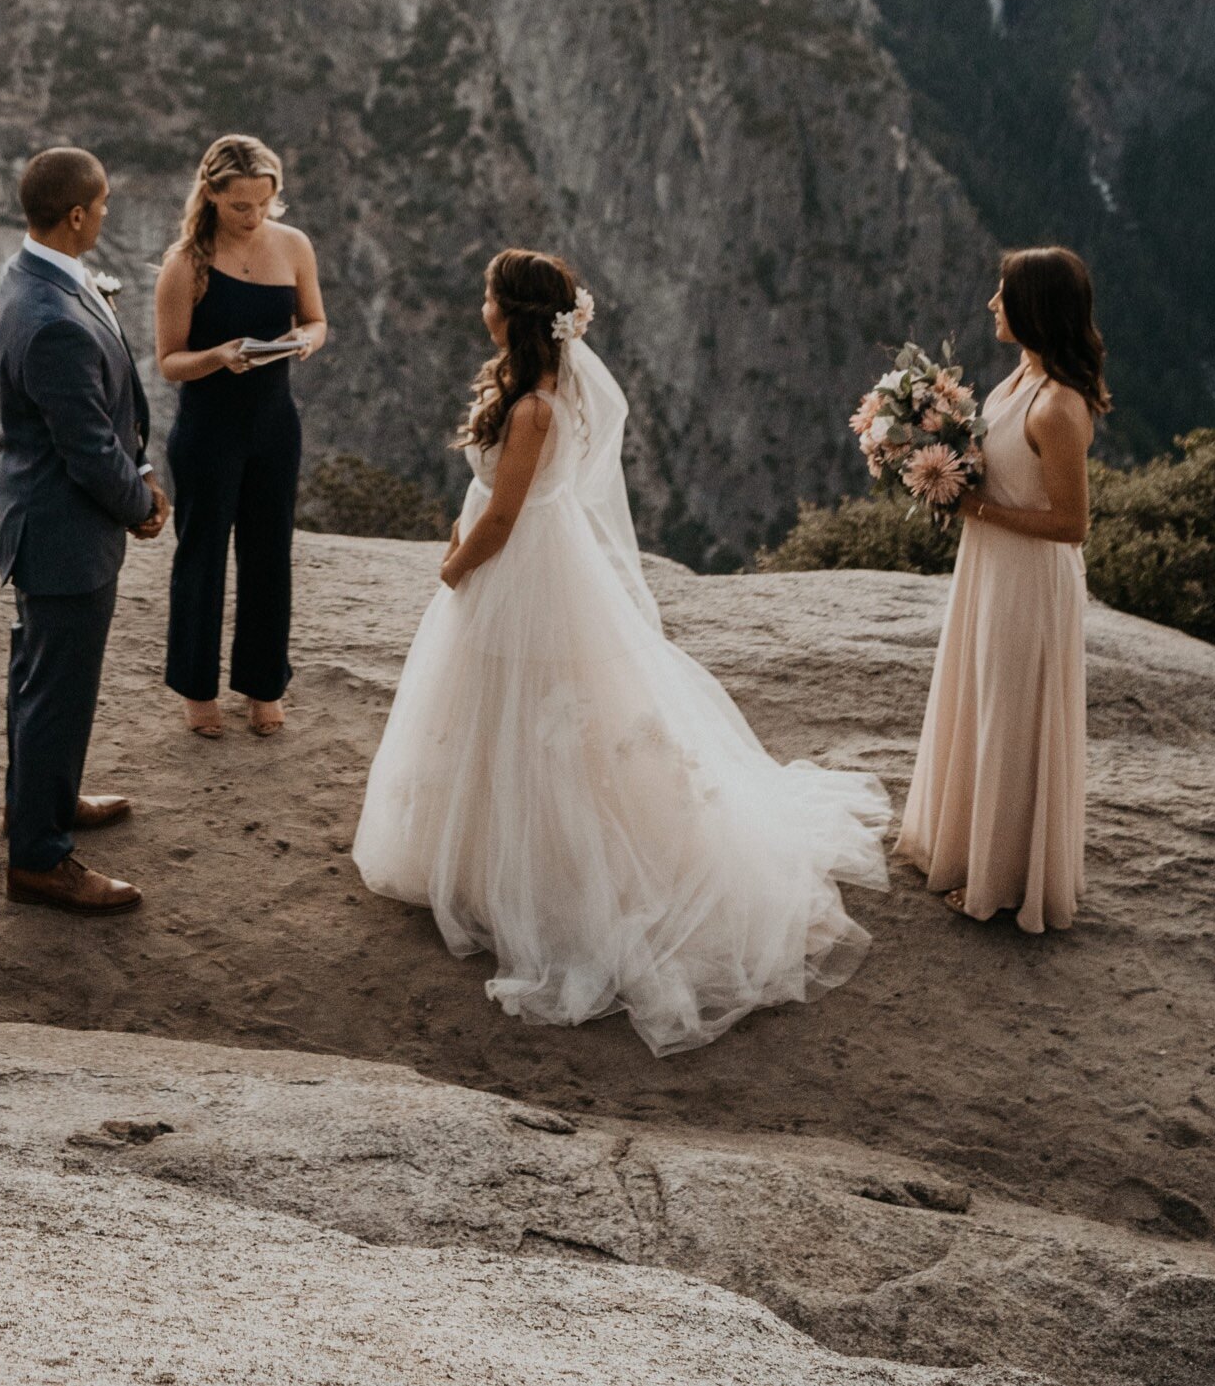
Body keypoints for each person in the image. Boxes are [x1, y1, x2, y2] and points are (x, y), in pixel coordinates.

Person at [353, 248, 889, 1057]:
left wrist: (455, 565)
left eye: (490, 296)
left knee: (522, 710)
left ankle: (534, 874)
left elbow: (503, 518)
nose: (482, 305)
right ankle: (492, 856)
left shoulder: (533, 406)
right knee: (519, 713)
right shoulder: (548, 387)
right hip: (541, 560)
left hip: (520, 570)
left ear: (515, 313)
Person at [895, 246, 1105, 932]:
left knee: (1011, 720)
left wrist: (973, 507)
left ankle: (1002, 879)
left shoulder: (1058, 407)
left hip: (1027, 582)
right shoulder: (1024, 374)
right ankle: (968, 849)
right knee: (984, 702)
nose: (992, 303)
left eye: (1003, 293)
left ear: (1034, 307)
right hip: (991, 568)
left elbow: (1072, 523)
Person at [0, 145, 170, 912]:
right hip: (65, 532)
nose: (106, 215)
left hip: (44, 519)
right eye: (100, 206)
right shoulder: (53, 318)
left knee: (42, 682)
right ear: (75, 215)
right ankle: (38, 856)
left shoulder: (28, 274)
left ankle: (46, 800)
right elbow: (88, 446)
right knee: (56, 691)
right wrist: (141, 504)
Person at [155, 133, 326, 737]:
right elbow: (169, 361)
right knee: (201, 557)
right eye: (240, 206)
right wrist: (219, 356)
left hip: (276, 425)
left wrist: (306, 339)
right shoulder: (187, 265)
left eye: (264, 203)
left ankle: (262, 686)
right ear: (212, 195)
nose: (254, 217)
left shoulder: (294, 245)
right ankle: (196, 693)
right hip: (209, 429)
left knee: (269, 554)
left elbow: (316, 318)